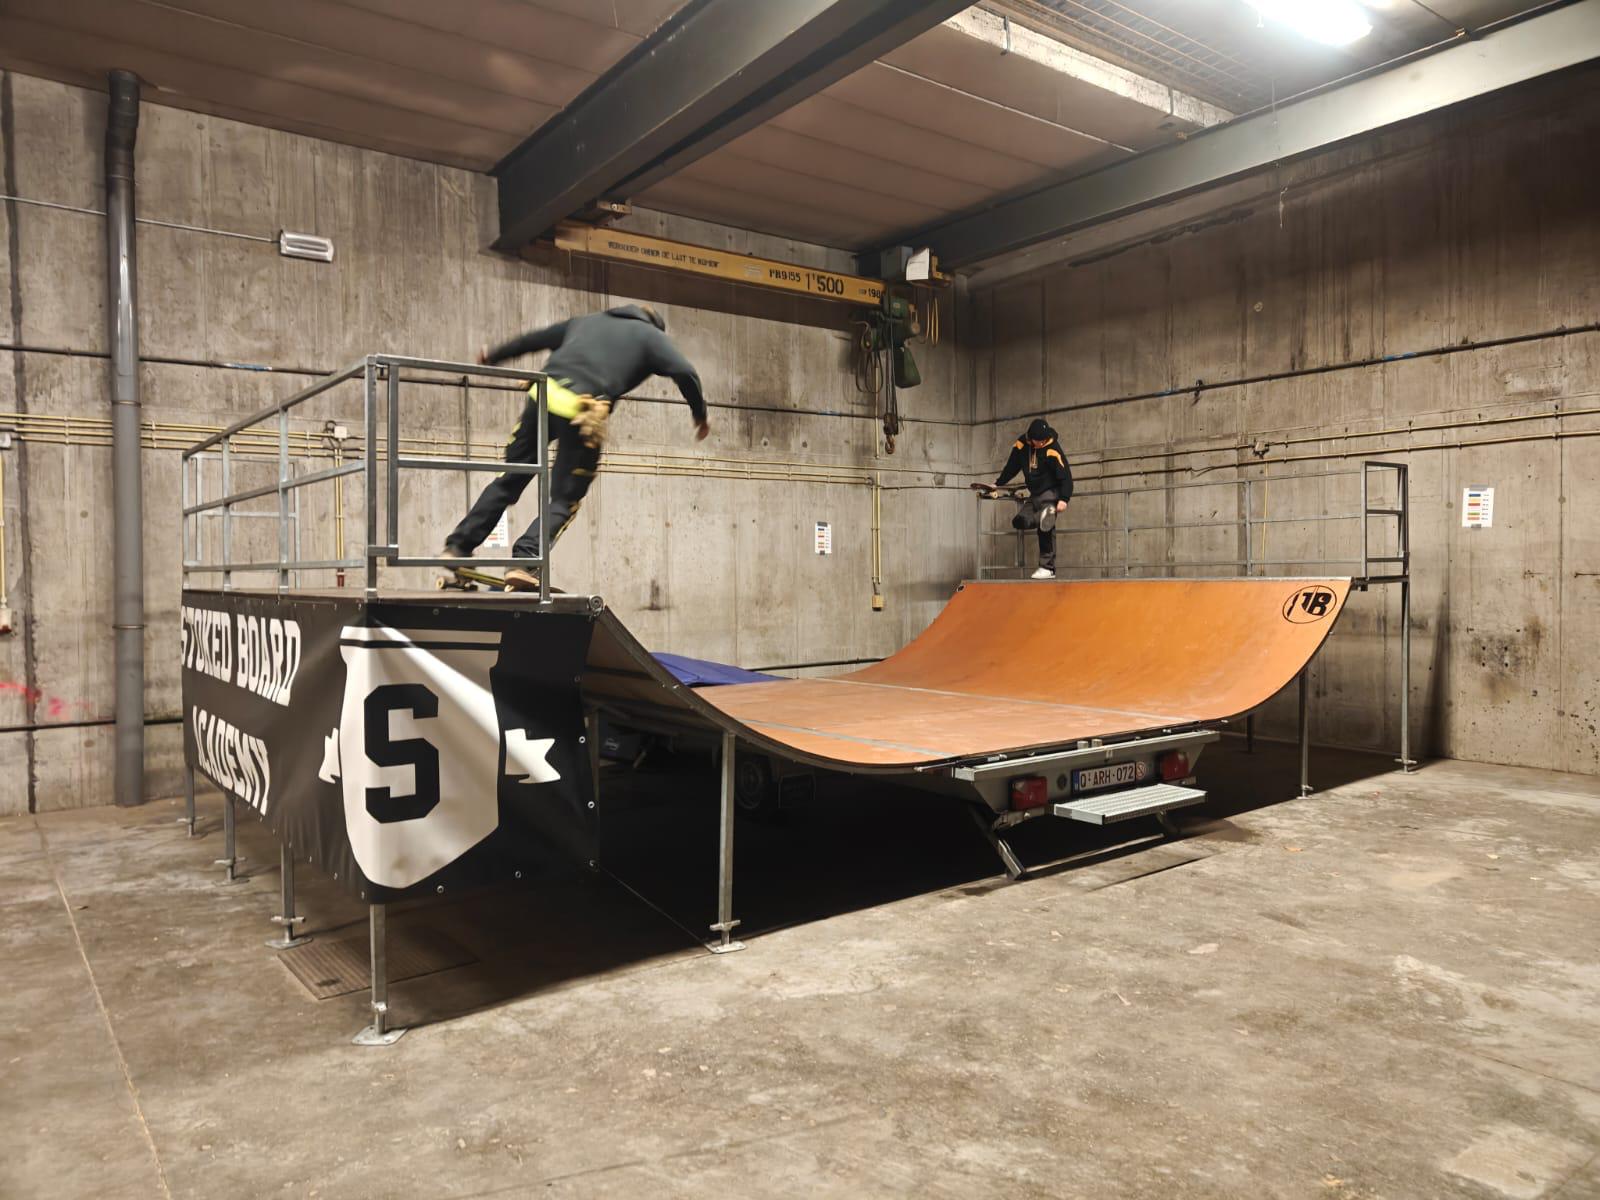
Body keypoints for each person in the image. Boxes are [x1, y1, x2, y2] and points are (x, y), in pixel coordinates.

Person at [443, 304, 709, 590]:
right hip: (582, 409)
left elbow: (534, 339)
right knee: (565, 499)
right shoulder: (650, 336)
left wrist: (494, 355)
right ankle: (525, 559)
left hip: (542, 396)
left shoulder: (586, 322)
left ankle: (457, 548)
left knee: (509, 479)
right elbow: (685, 371)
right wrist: (700, 414)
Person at [994, 417, 1073, 580]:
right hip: (1034, 494)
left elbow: (1066, 475)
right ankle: (1044, 516)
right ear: (1031, 438)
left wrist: (1064, 498)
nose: (1042, 443)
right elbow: (1011, 467)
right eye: (1039, 441)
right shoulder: (1021, 445)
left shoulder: (1052, 448)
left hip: (1051, 491)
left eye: (1044, 441)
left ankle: (1047, 568)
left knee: (1045, 529)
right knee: (1019, 521)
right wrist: (997, 483)